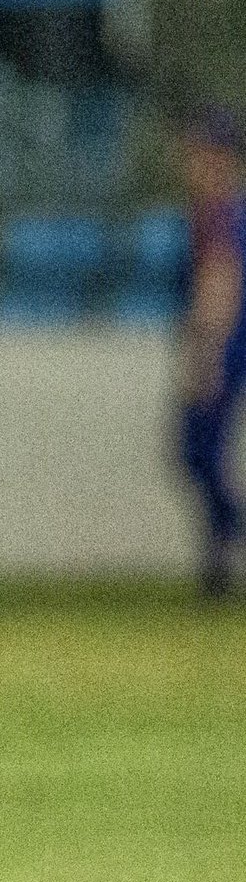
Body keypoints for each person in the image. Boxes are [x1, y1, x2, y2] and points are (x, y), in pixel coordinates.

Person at [175, 107, 246, 599]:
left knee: (197, 450)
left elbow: (219, 285)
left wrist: (205, 355)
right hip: (228, 344)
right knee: (202, 454)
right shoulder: (219, 209)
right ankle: (216, 557)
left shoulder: (221, 212)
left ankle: (224, 544)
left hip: (225, 346)